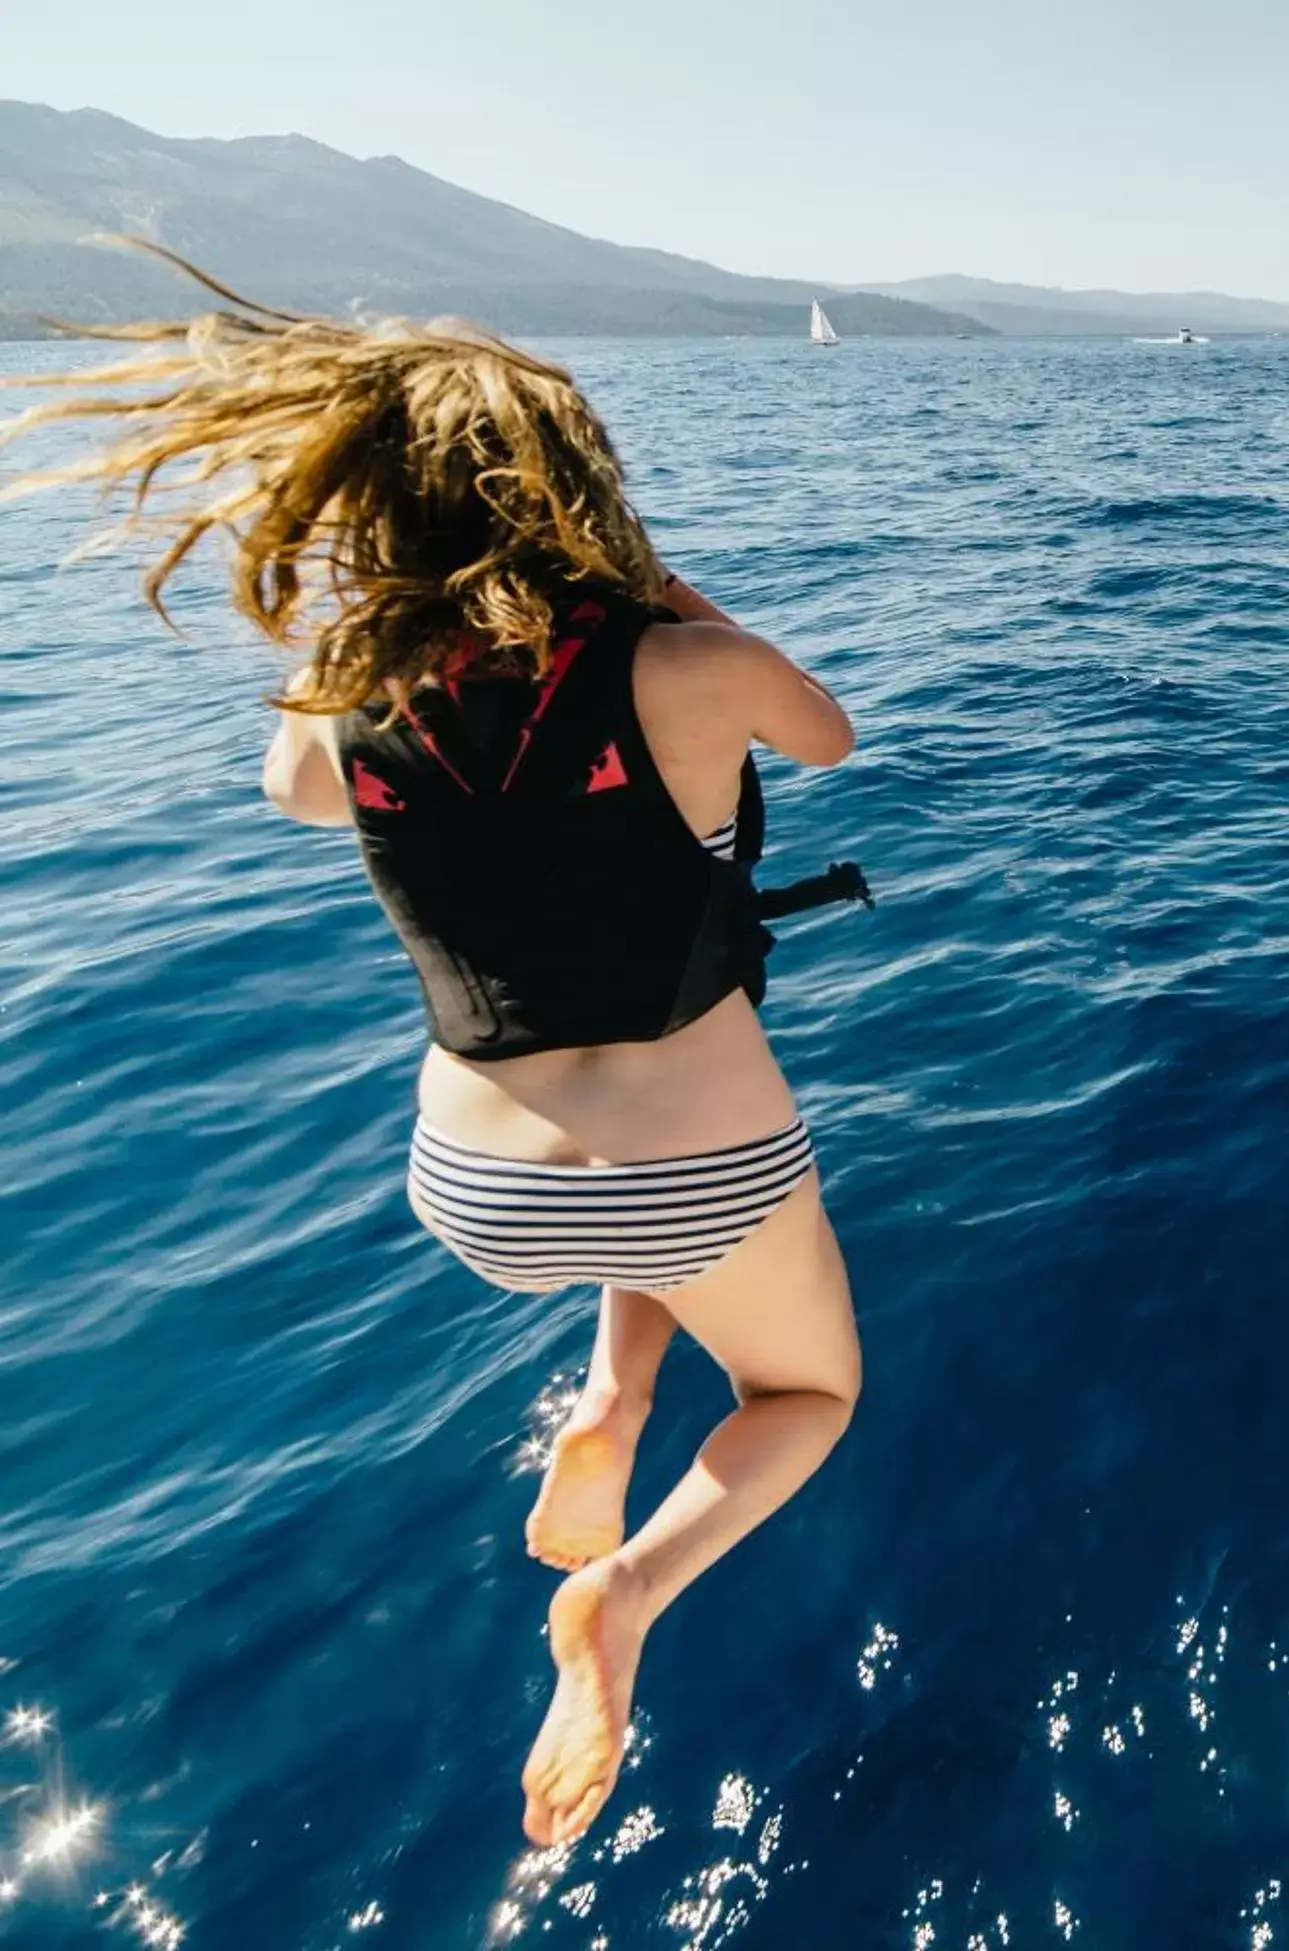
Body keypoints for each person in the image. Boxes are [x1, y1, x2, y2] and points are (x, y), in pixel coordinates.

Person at [1, 252, 864, 1847]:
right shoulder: (678, 669)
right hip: (694, 1164)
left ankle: (609, 1401)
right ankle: (628, 1593)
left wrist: (381, 632)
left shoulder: (343, 709)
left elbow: (290, 791)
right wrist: (659, 587)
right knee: (806, 1385)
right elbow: (827, 733)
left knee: (641, 1223)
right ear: (577, 498)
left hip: (473, 1188)